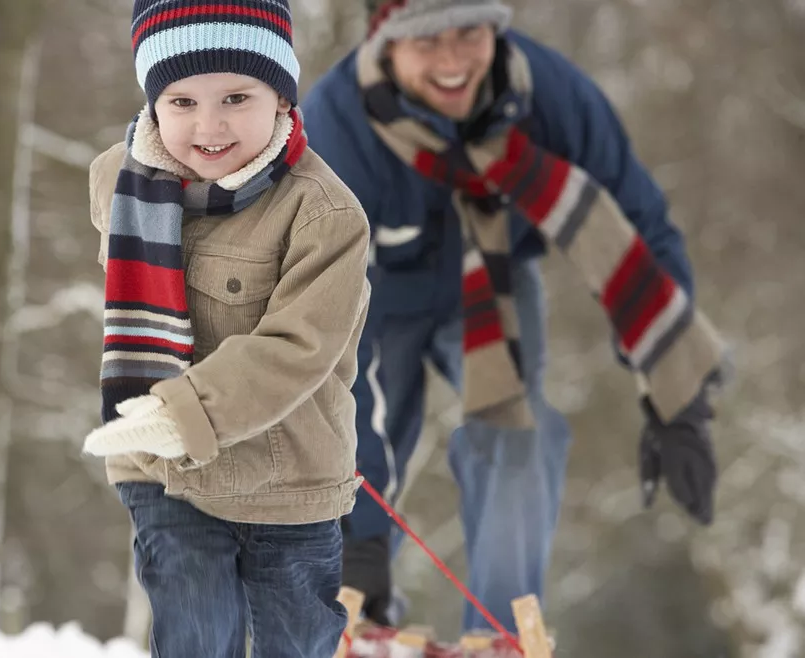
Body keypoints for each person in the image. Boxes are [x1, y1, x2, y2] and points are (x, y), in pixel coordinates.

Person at [300, 0, 727, 636]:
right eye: (427, 41)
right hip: (369, 303)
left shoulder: (546, 95)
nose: (452, 62)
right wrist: (358, 529)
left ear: (495, 29)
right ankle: (350, 611)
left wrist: (680, 401)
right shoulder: (337, 129)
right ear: (385, 40)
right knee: (365, 448)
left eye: (469, 33)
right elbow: (327, 345)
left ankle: (499, 634)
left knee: (521, 439)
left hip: (492, 281)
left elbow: (638, 222)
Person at [80, 1, 372, 655]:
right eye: (181, 101)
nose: (208, 126)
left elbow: (299, 348)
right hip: (163, 471)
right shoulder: (118, 183)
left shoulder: (324, 214)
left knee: (293, 642)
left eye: (236, 97)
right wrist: (153, 420)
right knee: (195, 629)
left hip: (288, 481)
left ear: (280, 96)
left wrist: (181, 411)